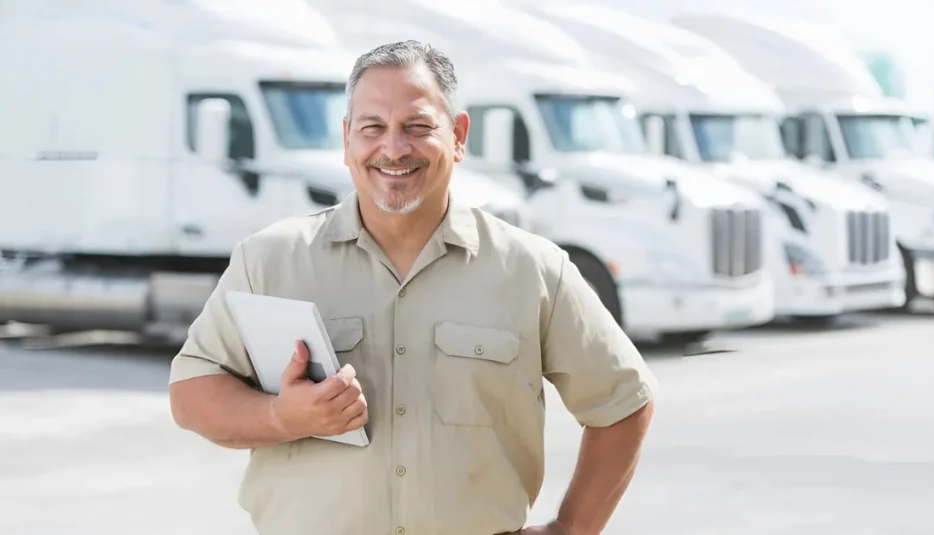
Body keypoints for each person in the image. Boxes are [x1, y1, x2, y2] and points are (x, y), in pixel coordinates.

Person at [168, 40, 658, 535]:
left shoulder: (533, 270)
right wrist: (282, 416)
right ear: (346, 139)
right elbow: (191, 393)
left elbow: (625, 400)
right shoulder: (269, 261)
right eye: (372, 128)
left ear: (458, 135)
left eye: (417, 127)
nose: (394, 148)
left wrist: (572, 528)